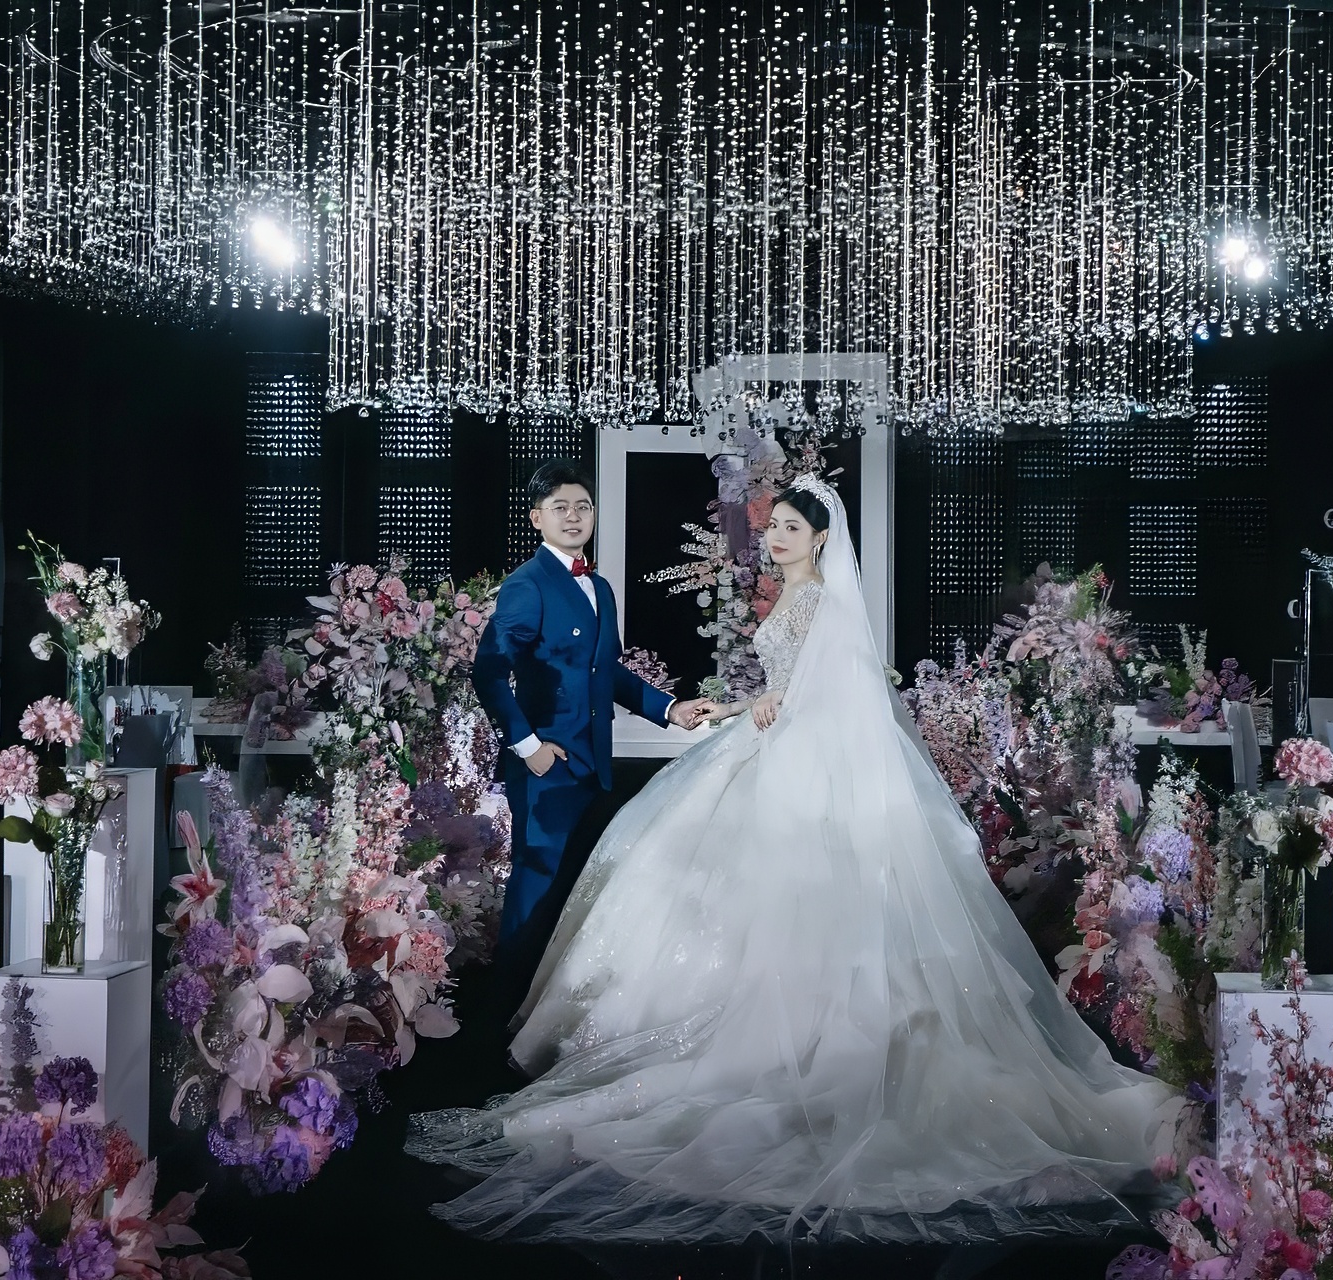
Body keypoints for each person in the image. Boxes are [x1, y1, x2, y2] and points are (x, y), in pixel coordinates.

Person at [410, 475, 1175, 1245]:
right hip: (610, 757)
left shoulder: (813, 603)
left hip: (784, 762)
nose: (774, 537)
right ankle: (508, 1038)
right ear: (538, 515)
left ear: (820, 539)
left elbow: (831, 693)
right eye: (771, 525)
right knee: (593, 892)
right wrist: (717, 709)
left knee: (760, 903)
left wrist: (741, 707)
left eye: (789, 527)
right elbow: (516, 671)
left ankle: (752, 1041)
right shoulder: (566, 587)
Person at [471, 459, 717, 957]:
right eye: (560, 507)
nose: (573, 516)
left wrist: (670, 709)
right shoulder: (527, 584)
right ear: (536, 517)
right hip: (547, 768)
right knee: (536, 892)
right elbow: (488, 673)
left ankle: (548, 1003)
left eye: (583, 506)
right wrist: (529, 748)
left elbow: (608, 673)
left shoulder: (600, 587)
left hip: (594, 767)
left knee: (576, 899)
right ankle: (507, 1000)